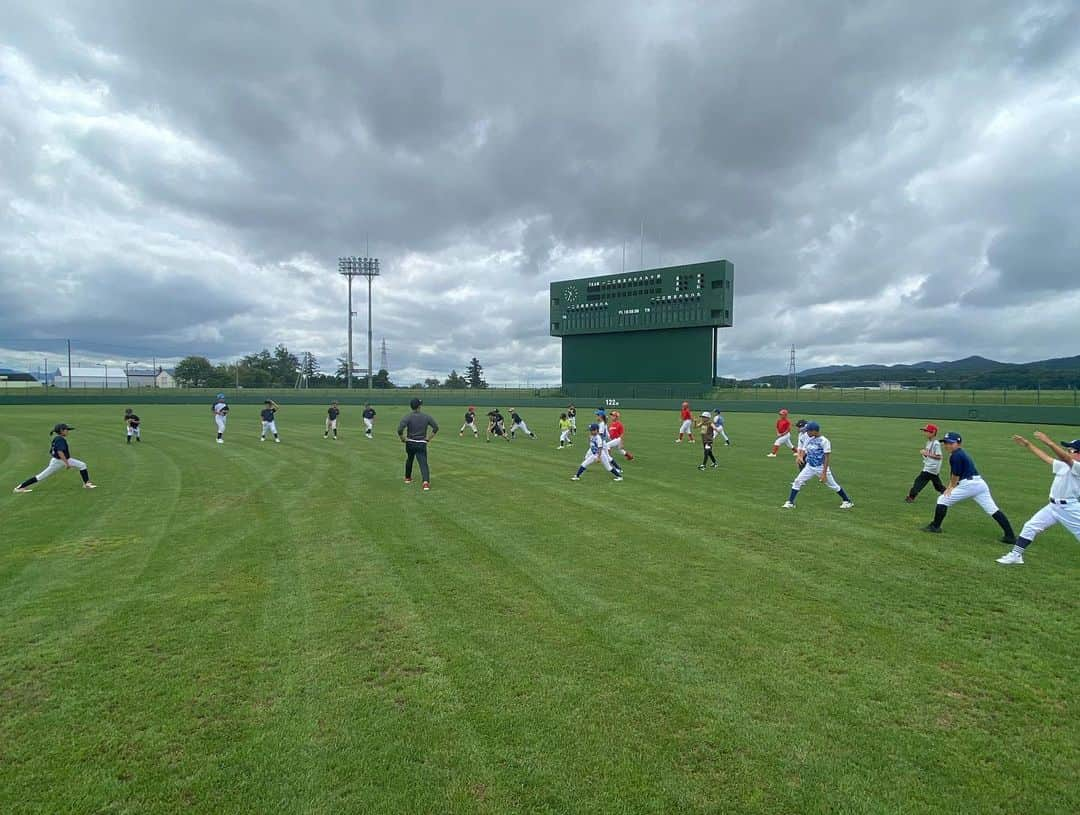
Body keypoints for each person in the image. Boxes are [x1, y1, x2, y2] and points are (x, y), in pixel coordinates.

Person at [997, 433, 1080, 565]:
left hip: (1070, 508)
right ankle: (1016, 555)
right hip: (1053, 506)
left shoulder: (1078, 467)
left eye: (1071, 450)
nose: (1067, 451)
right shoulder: (1064, 465)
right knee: (1030, 526)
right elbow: (1046, 458)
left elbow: (1064, 457)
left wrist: (1049, 442)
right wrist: (1028, 445)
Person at [922, 432, 1015, 542]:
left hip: (969, 485)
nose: (947, 445)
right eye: (946, 443)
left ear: (959, 443)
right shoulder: (960, 453)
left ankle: (935, 527)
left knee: (942, 500)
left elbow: (955, 475)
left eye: (951, 443)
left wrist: (950, 487)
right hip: (979, 484)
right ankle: (1010, 536)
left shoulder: (956, 456)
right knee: (992, 509)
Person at [782, 421, 853, 509]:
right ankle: (790, 503)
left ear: (814, 431)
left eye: (808, 431)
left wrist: (823, 473)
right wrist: (800, 457)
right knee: (797, 481)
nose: (806, 433)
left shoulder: (824, 441)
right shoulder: (809, 438)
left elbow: (827, 458)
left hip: (821, 467)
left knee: (833, 486)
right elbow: (804, 449)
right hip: (809, 467)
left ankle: (847, 501)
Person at [13, 423, 97, 492]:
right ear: (61, 431)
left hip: (59, 460)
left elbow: (53, 451)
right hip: (59, 461)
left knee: (82, 465)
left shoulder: (57, 438)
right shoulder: (60, 439)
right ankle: (19, 488)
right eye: (66, 430)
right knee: (41, 476)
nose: (68, 431)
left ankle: (86, 484)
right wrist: (67, 463)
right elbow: (60, 452)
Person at [397, 397, 438, 491]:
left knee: (409, 459)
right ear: (419, 406)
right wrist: (428, 438)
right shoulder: (426, 417)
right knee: (423, 463)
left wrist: (403, 438)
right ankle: (425, 483)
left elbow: (400, 429)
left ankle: (407, 478)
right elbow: (435, 427)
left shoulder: (407, 417)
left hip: (410, 442)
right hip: (421, 443)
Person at [905, 424, 945, 502]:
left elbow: (939, 456)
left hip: (931, 467)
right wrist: (925, 453)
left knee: (919, 481)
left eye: (926, 431)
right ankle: (947, 493)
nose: (925, 433)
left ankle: (911, 497)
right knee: (937, 485)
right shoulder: (929, 442)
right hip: (930, 467)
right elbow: (929, 455)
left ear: (933, 432)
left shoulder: (935, 444)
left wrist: (927, 454)